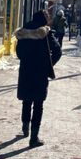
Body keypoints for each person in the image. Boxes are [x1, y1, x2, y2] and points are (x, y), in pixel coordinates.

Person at [15, 10, 61, 147]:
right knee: (38, 104)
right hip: (40, 72)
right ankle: (34, 137)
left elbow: (18, 53)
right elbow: (58, 51)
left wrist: (26, 60)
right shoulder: (46, 33)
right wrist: (49, 63)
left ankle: (25, 128)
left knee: (26, 101)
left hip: (26, 71)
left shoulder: (23, 33)